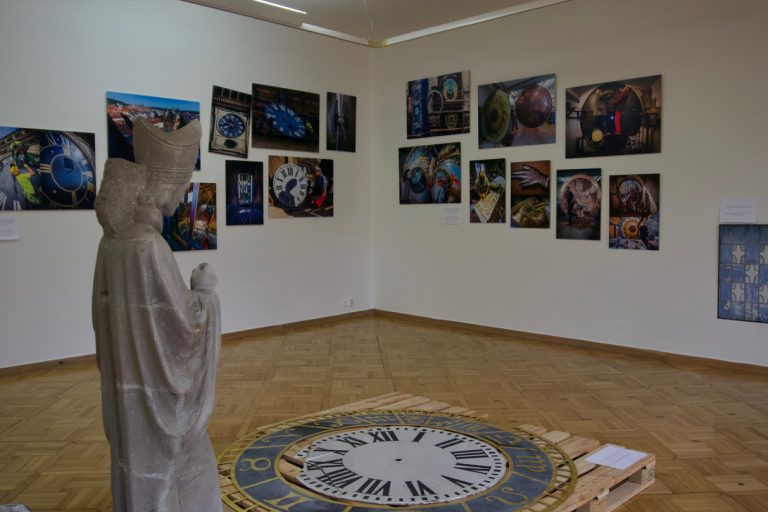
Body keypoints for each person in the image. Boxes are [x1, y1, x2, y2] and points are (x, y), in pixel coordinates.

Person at [92, 118, 222, 512]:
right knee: (188, 469)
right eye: (183, 185)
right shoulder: (149, 247)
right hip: (160, 409)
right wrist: (205, 291)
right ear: (163, 185)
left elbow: (102, 319)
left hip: (128, 392)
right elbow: (186, 326)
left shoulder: (111, 243)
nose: (185, 194)